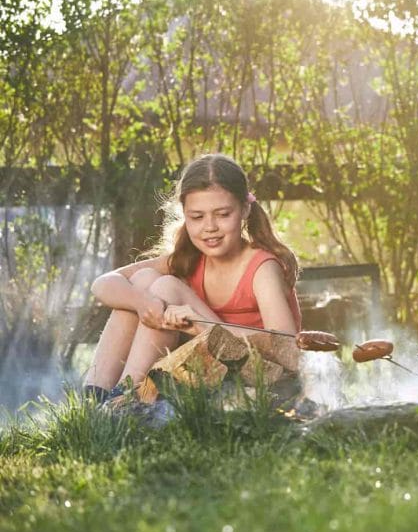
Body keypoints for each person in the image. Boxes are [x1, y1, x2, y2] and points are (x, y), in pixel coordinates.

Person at [83, 154, 302, 401]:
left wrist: (200, 324)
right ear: (185, 215)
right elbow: (102, 284)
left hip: (261, 375)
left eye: (222, 214)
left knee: (166, 288)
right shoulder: (189, 258)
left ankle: (126, 399)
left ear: (245, 209)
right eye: (197, 217)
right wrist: (142, 303)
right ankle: (96, 398)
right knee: (143, 282)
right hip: (210, 367)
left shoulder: (262, 268)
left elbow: (286, 350)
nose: (210, 227)